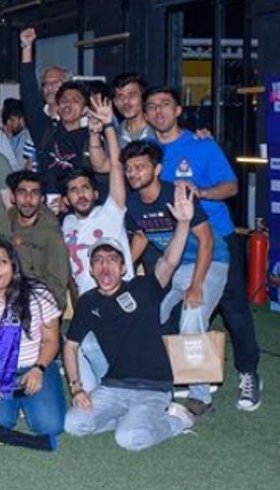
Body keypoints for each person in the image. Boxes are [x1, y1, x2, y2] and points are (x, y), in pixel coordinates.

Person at [143, 86, 262, 411]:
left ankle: (249, 373)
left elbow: (232, 186)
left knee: (234, 310)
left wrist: (202, 193)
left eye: (165, 105)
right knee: (168, 309)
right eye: (151, 106)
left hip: (217, 238)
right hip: (174, 243)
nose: (158, 112)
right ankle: (180, 374)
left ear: (178, 110)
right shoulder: (146, 151)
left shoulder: (201, 145)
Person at [63, 188, 198, 450]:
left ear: (123, 267)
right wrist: (76, 387)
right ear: (91, 269)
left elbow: (169, 261)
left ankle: (177, 421)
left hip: (153, 387)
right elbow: (70, 345)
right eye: (98, 260)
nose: (105, 266)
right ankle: (131, 419)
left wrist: (183, 223)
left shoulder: (142, 288)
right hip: (114, 386)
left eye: (112, 260)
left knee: (129, 439)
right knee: (73, 425)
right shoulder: (89, 301)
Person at [121, 140, 229, 417]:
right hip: (174, 264)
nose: (133, 173)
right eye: (129, 168)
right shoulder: (132, 202)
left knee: (192, 314)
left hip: (211, 261)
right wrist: (123, 269)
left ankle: (200, 396)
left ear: (157, 169)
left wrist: (195, 286)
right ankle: (149, 379)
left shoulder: (177, 195)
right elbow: (142, 235)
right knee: (147, 313)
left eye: (140, 167)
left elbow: (206, 241)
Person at [0, 240, 64, 436]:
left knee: (50, 426)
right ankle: (17, 404)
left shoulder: (38, 294)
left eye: (2, 262)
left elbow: (52, 340)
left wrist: (39, 369)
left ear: (13, 265)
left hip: (34, 365)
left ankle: (31, 400)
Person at [62, 94, 134, 298]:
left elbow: (116, 165)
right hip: (88, 304)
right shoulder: (66, 224)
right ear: (66, 199)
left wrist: (106, 127)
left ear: (95, 193)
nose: (81, 194)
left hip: (121, 297)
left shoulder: (111, 211)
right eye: (73, 190)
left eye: (85, 188)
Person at [0, 171, 71, 309]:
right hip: (3, 298)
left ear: (42, 199)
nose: (28, 198)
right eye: (22, 192)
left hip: (39, 302)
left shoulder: (52, 233)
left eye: (34, 193)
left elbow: (58, 283)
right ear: (13, 197)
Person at [1, 98, 36, 171]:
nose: (9, 124)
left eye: (12, 120)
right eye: (7, 121)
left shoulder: (28, 137)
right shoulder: (13, 136)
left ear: (22, 119)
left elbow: (20, 165)